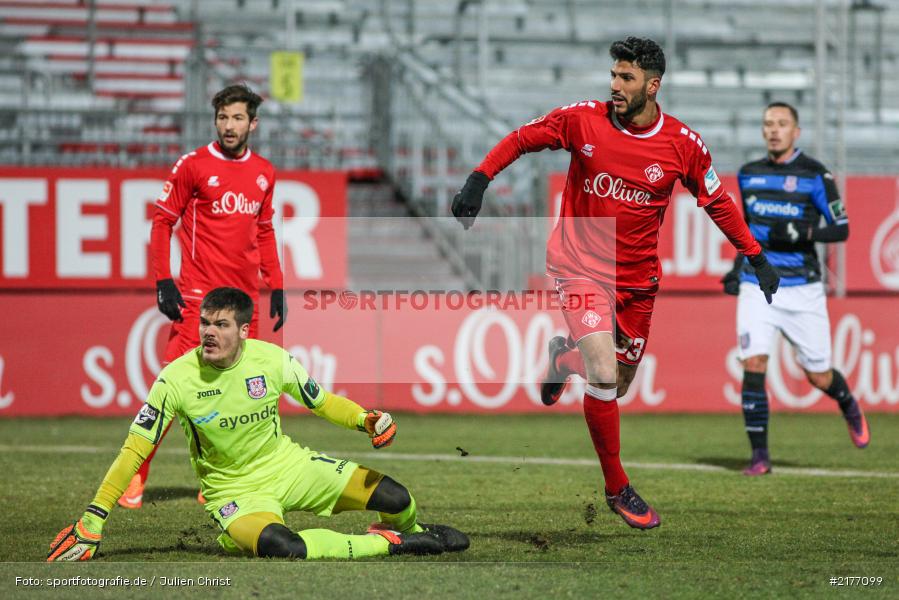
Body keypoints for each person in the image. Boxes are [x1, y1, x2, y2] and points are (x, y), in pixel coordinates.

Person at [451, 37, 780, 529]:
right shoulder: (583, 120)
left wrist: (754, 255)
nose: (615, 86)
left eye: (627, 78)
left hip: (637, 283)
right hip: (579, 266)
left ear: (653, 85)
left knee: (618, 384)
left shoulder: (683, 145)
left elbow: (717, 201)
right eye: (613, 75)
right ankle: (616, 487)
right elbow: (521, 138)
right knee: (604, 373)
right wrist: (479, 178)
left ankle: (564, 360)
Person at [48, 288, 468, 562]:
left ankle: (413, 529)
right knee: (284, 547)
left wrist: (364, 419)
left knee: (396, 497)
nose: (208, 333)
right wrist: (93, 520)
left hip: (289, 467)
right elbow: (134, 451)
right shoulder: (175, 379)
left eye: (221, 325)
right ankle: (391, 543)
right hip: (235, 494)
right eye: (205, 323)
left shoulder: (272, 360)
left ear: (244, 330)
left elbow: (322, 402)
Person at [120, 83, 287, 509]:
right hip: (199, 299)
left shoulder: (264, 172)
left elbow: (264, 231)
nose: (228, 126)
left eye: (237, 118)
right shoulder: (193, 165)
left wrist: (277, 285)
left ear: (253, 123)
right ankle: (135, 476)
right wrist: (163, 280)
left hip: (244, 303)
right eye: (222, 117)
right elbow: (162, 222)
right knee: (169, 390)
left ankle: (218, 478)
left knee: (240, 396)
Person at [721, 102, 869, 476]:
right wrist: (737, 268)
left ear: (796, 132)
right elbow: (746, 230)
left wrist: (803, 232)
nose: (774, 130)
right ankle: (759, 456)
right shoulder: (749, 174)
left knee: (818, 375)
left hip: (803, 288)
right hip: (758, 284)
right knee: (753, 362)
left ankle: (848, 403)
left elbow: (842, 228)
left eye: (782, 123)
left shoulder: (816, 174)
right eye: (768, 123)